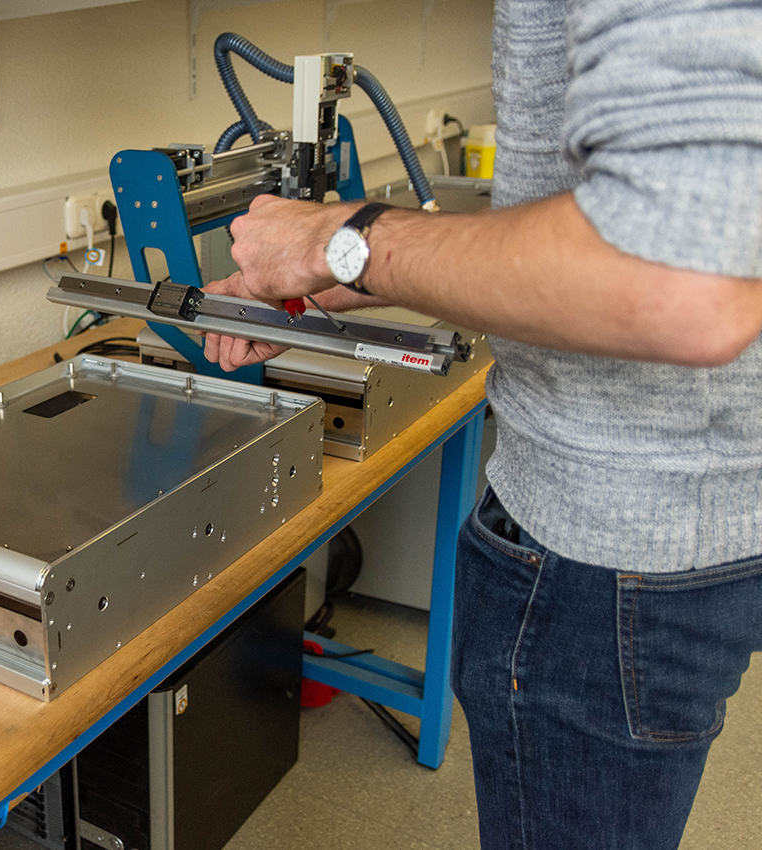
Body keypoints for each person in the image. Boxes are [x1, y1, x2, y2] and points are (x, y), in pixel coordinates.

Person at [201, 1, 762, 847]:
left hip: (608, 553)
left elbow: (679, 279)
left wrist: (342, 239)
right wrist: (340, 278)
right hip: (699, 507)